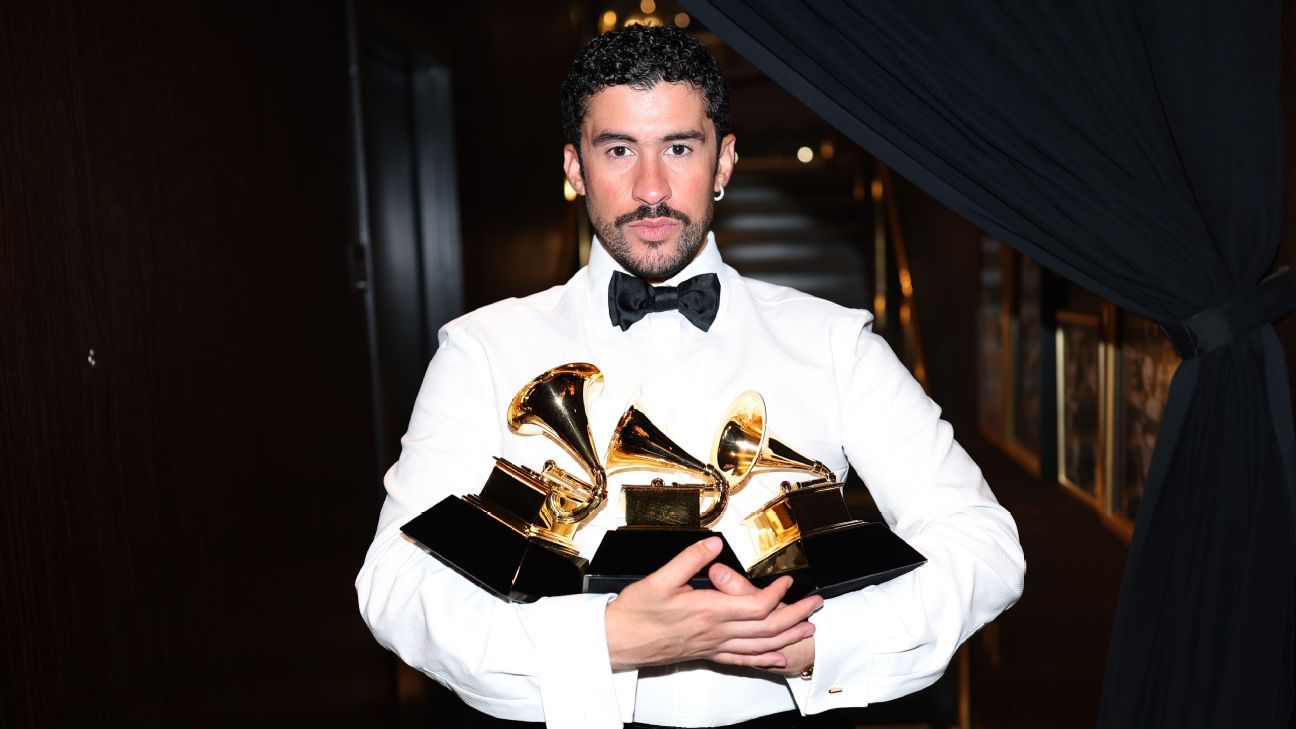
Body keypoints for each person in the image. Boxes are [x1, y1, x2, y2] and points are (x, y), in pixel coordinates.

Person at [357, 24, 1024, 729]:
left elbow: (985, 543)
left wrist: (820, 643)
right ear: (575, 167)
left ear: (724, 161)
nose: (651, 189)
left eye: (679, 148)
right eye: (618, 150)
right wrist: (601, 642)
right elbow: (394, 582)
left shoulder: (835, 344)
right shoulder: (482, 350)